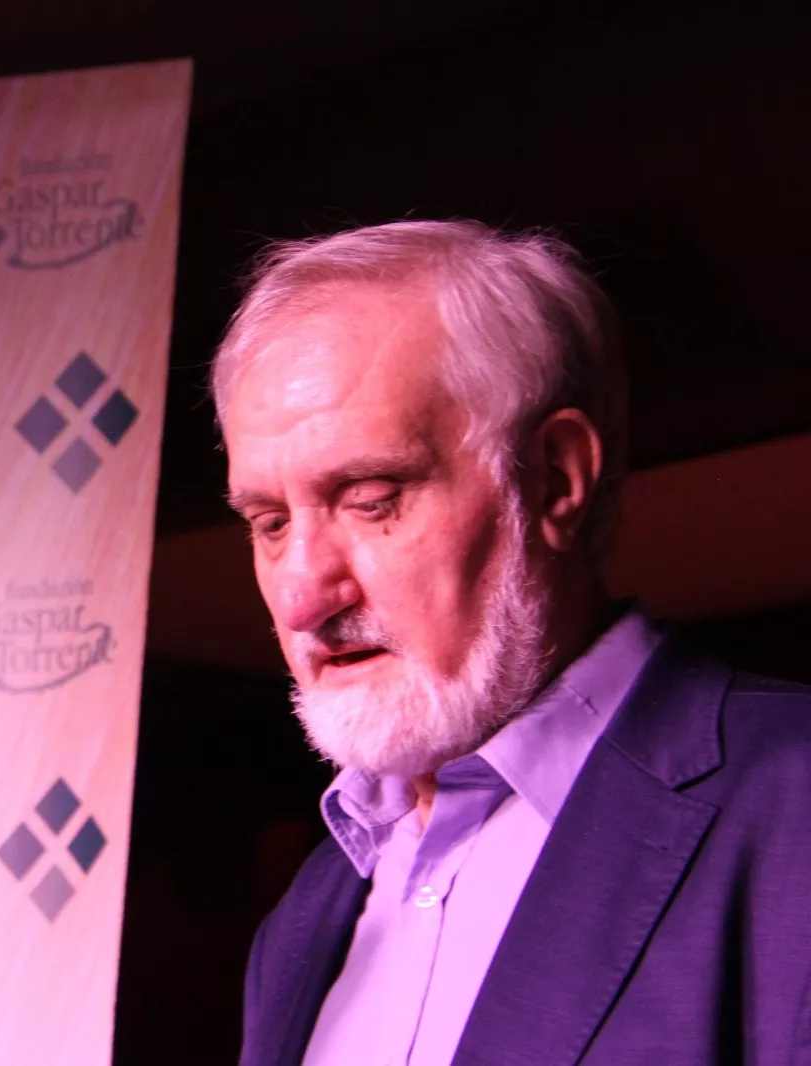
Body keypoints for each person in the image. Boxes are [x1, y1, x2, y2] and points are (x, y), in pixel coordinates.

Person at [217, 219, 811, 1065]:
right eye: (270, 523)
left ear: (558, 479)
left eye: (371, 496)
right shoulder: (307, 915)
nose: (302, 594)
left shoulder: (794, 802)